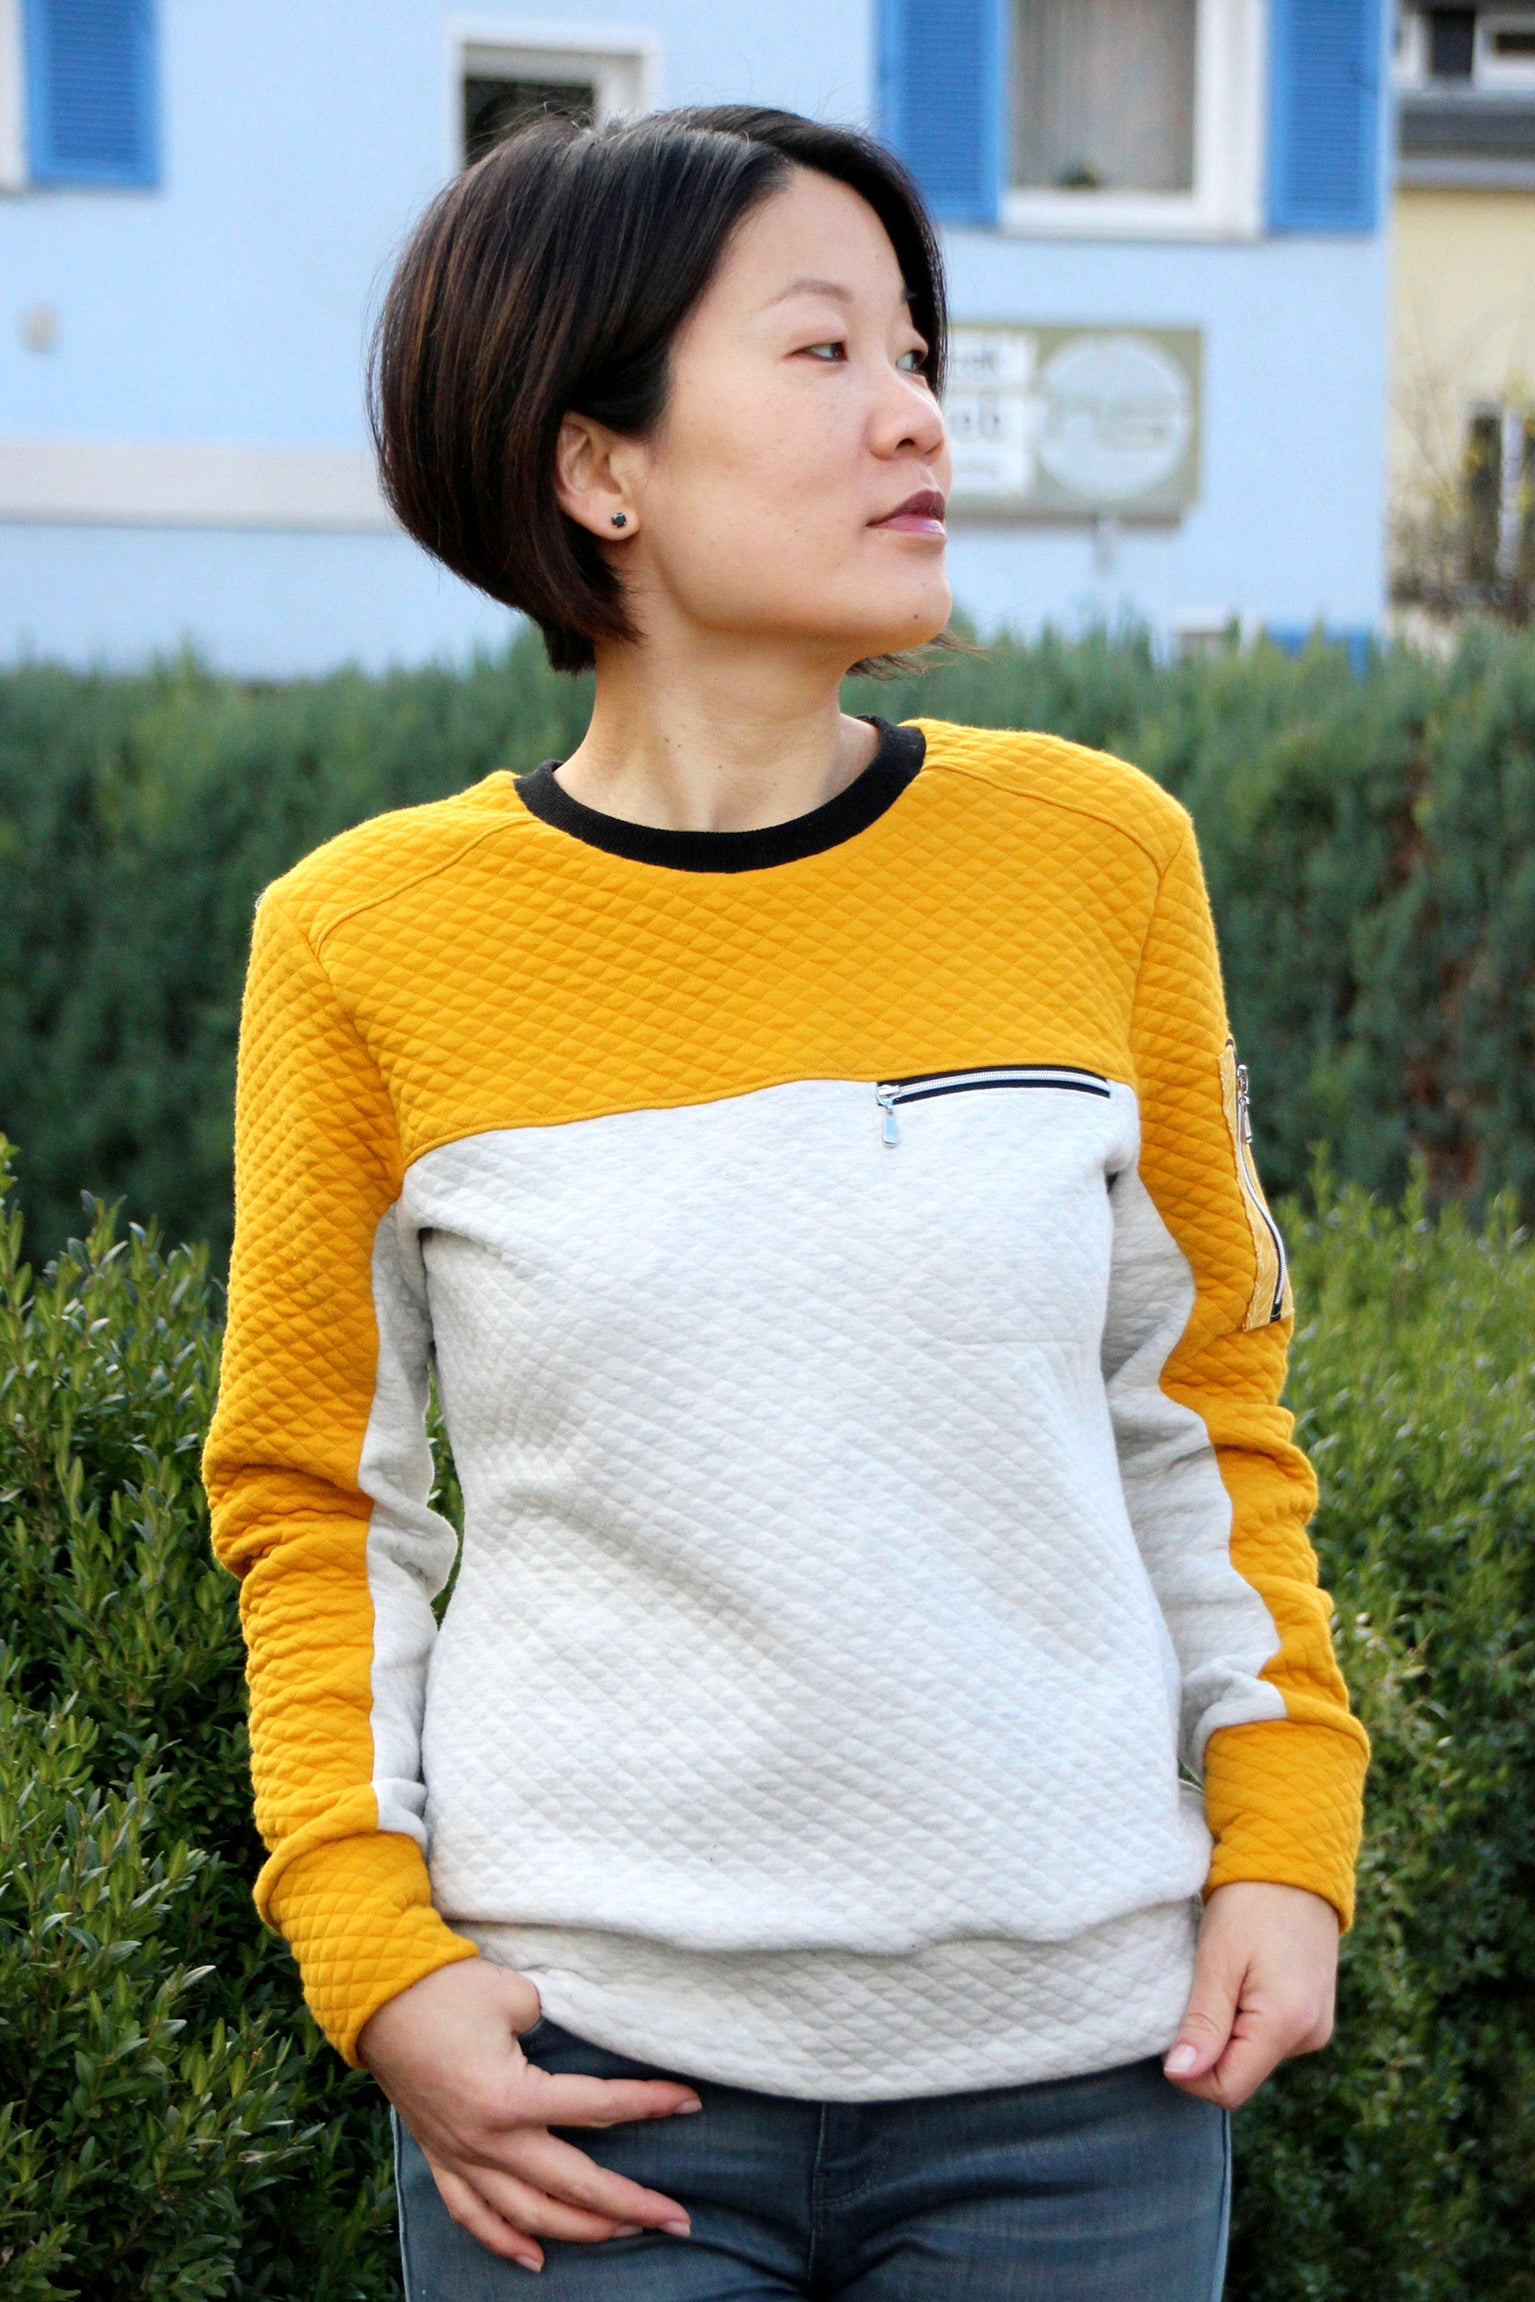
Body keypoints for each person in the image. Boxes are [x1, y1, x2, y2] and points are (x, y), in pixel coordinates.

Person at [204, 106, 1368, 2300]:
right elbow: (317, 1499)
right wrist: (373, 1949)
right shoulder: (364, 942)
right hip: (582, 2095)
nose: (919, 413)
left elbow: (1207, 1401)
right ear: (598, 466)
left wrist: (1289, 1836)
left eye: (917, 354)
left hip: (1086, 2095)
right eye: (825, 351)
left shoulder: (1098, 858)